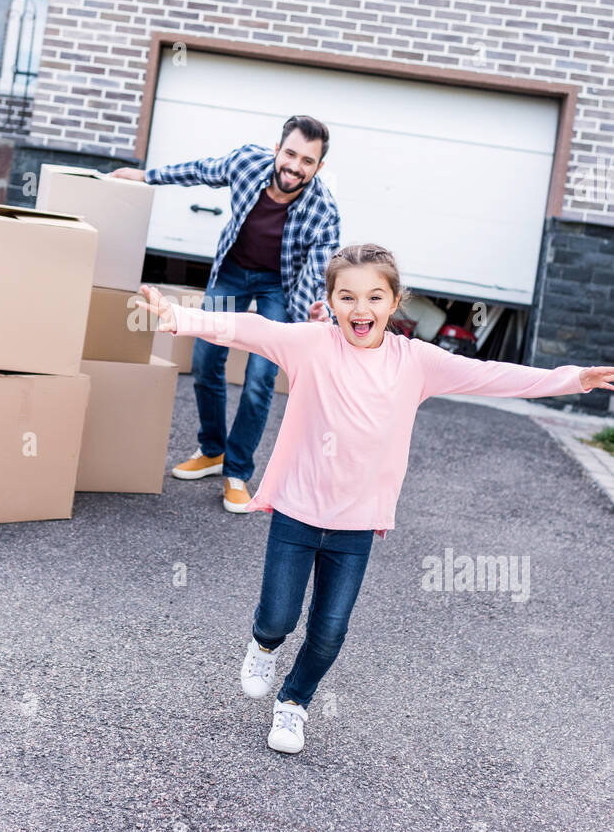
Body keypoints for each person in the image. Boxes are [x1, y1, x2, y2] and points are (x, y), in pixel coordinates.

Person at [136, 245, 613, 756]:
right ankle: (264, 645)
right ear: (330, 302)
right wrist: (178, 316)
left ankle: (294, 704)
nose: (360, 308)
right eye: (347, 296)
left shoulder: (416, 362)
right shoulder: (310, 344)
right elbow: (250, 330)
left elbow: (491, 374)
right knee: (278, 616)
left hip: (356, 525)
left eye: (374, 297)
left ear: (394, 302)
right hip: (297, 512)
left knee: (330, 631)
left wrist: (571, 379)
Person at [111, 116, 340, 514]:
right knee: (205, 360)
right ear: (276, 150)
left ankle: (237, 470)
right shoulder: (247, 163)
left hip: (279, 287)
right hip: (232, 272)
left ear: (318, 168)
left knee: (259, 379)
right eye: (290, 154)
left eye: (307, 161)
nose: (294, 166)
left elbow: (320, 272)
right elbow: (200, 171)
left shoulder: (324, 211)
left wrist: (319, 309)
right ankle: (212, 450)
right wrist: (146, 176)